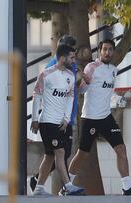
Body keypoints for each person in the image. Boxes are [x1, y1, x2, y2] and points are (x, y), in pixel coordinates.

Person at [68, 39, 131, 196]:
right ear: (99, 51)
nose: (107, 52)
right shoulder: (92, 67)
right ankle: (67, 184)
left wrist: (119, 99)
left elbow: (109, 92)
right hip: (90, 118)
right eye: (104, 49)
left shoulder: (113, 69)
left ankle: (127, 187)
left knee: (121, 150)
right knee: (82, 154)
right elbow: (83, 90)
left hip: (106, 117)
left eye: (111, 49)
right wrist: (82, 82)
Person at [29, 35, 82, 194]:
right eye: (72, 58)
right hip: (47, 122)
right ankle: (68, 186)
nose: (74, 61)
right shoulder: (46, 74)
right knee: (60, 152)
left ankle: (38, 187)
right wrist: (35, 119)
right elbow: (36, 96)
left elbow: (70, 98)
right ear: (63, 57)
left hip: (62, 123)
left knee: (50, 156)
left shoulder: (70, 76)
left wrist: (66, 119)